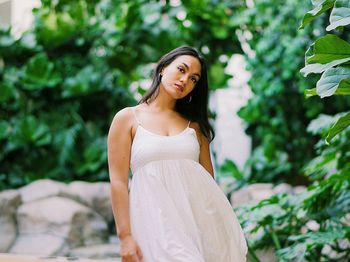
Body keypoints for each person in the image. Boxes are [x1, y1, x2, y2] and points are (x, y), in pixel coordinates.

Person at [107, 46, 248, 262]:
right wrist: (125, 237)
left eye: (193, 79)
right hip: (151, 225)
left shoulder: (195, 127)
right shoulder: (127, 118)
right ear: (163, 68)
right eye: (181, 70)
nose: (185, 80)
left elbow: (208, 185)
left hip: (195, 227)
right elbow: (118, 182)